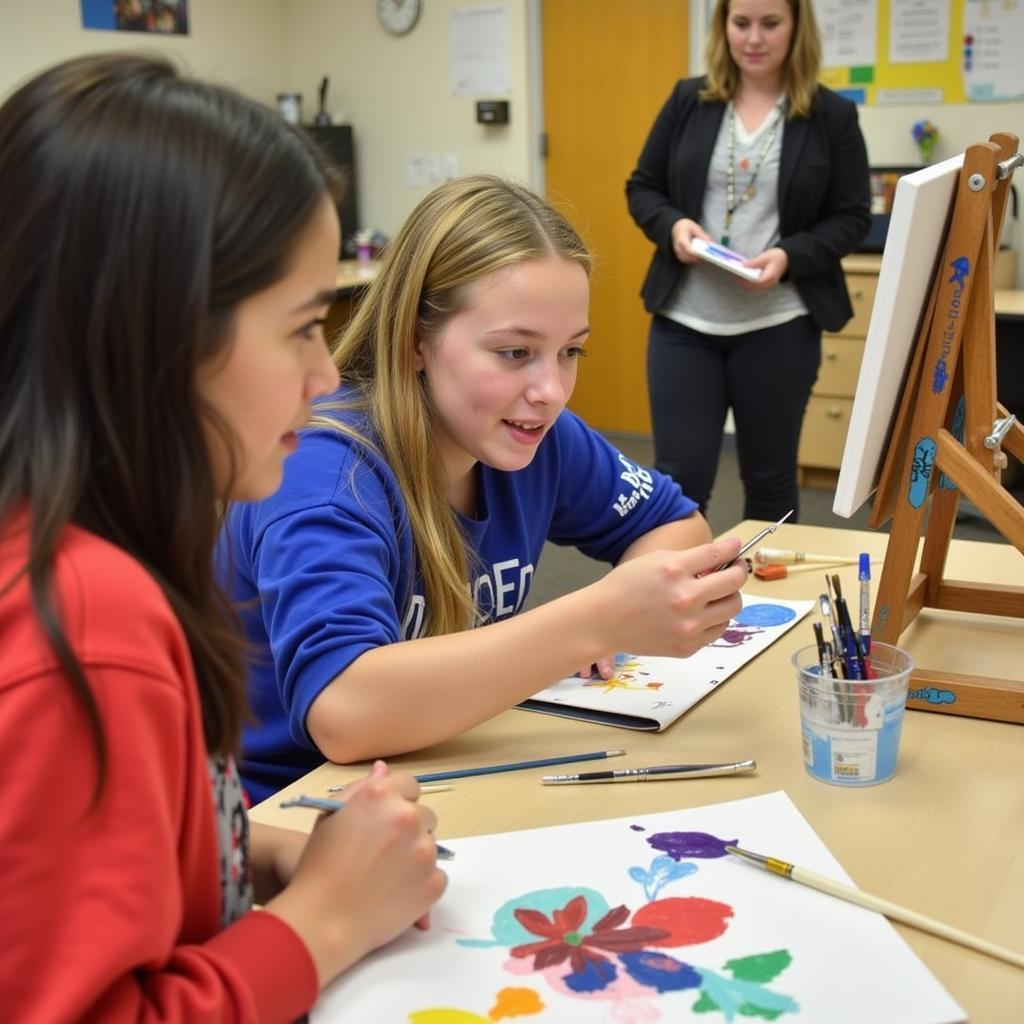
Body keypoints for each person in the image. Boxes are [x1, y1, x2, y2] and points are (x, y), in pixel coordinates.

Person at [0, 53, 446, 1020]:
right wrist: (324, 920)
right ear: (164, 337)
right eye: (300, 329)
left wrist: (240, 860)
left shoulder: (89, 547)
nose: (328, 378)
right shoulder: (89, 622)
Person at [219, 175, 750, 803]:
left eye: (571, 352)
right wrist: (593, 623)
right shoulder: (326, 474)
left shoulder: (531, 431)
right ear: (417, 340)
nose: (551, 390)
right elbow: (344, 710)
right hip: (295, 808)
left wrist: (612, 614)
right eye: (515, 351)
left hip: (440, 764)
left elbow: (677, 523)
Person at [626, 0, 870, 523]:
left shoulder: (832, 115)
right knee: (678, 480)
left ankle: (769, 603)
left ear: (797, 28)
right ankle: (677, 602)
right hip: (685, 321)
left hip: (778, 324)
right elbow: (643, 188)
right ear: (723, 27)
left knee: (769, 478)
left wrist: (790, 255)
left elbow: (851, 217)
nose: (753, 38)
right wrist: (673, 227)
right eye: (741, 23)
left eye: (770, 23)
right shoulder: (688, 99)